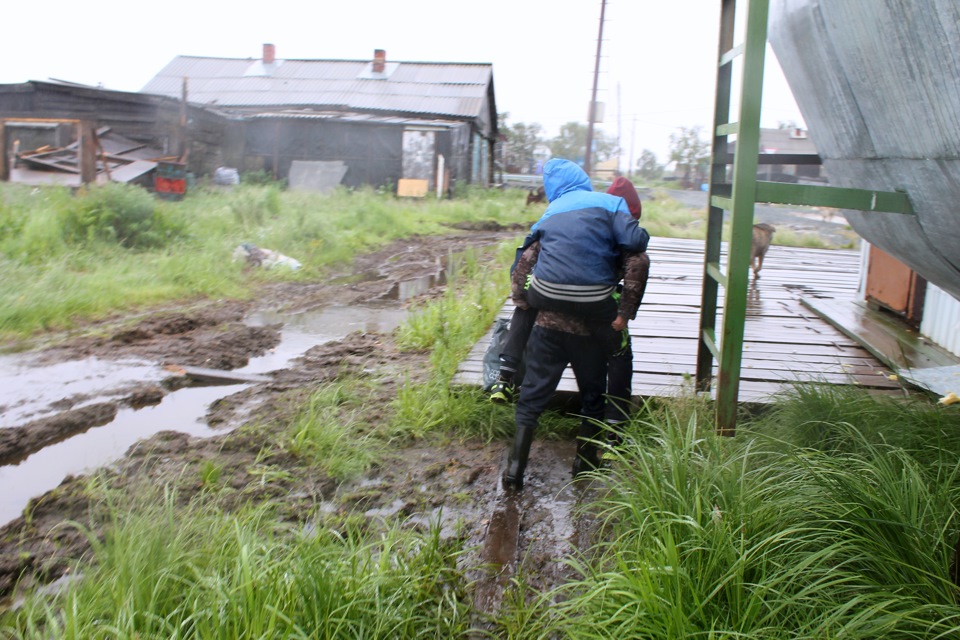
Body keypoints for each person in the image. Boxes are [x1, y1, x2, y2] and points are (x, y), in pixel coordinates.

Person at [501, 160, 650, 490]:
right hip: (592, 325)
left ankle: (514, 471)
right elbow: (638, 258)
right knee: (593, 395)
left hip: (547, 322)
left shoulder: (554, 213)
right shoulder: (611, 209)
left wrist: (521, 299)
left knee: (532, 397)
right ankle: (584, 465)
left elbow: (525, 257)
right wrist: (623, 314)